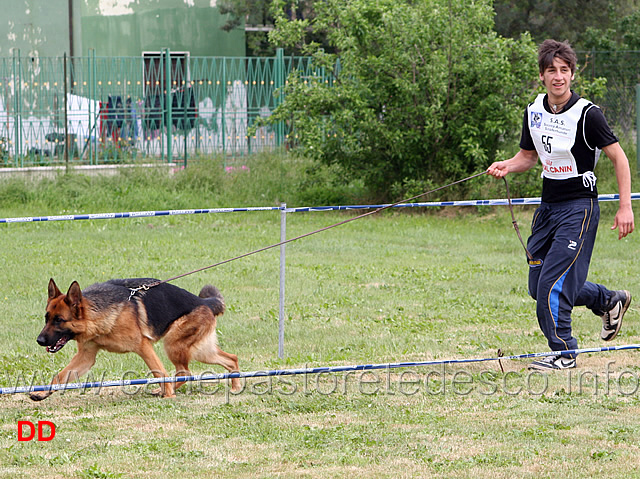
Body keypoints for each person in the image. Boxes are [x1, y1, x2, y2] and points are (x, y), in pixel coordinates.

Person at [487, 39, 634, 370]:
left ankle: (565, 352)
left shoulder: (588, 114)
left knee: (551, 288)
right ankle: (607, 300)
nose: (558, 77)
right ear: (541, 76)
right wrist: (506, 165)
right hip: (547, 209)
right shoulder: (534, 111)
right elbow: (527, 157)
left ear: (572, 75)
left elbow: (619, 158)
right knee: (537, 288)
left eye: (564, 70)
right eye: (551, 70)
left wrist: (625, 207)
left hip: (579, 209)